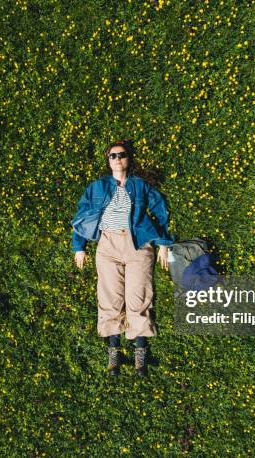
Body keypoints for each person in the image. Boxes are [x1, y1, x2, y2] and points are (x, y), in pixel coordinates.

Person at [71, 139, 173, 377]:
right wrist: (80, 247)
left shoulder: (140, 186)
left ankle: (140, 353)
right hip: (107, 245)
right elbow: (81, 217)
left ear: (129, 159)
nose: (117, 159)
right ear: (108, 161)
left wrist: (164, 244)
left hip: (137, 244)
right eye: (113, 156)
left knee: (139, 298)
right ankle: (114, 352)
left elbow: (160, 210)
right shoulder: (96, 187)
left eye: (122, 155)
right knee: (109, 298)